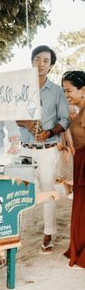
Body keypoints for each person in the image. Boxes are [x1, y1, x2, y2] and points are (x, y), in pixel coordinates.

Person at [17, 45, 69, 254]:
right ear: (31, 61)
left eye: (46, 61)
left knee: (47, 191)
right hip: (25, 149)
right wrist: (27, 124)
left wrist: (49, 132)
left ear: (51, 65)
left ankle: (49, 234)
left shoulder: (57, 91)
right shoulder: (21, 88)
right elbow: (14, 115)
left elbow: (64, 120)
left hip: (47, 149)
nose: (40, 64)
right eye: (37, 59)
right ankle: (15, 234)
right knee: (19, 192)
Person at [62, 70, 85, 269]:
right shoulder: (78, 111)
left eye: (69, 90)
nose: (66, 94)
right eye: (64, 91)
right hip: (80, 159)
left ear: (83, 90)